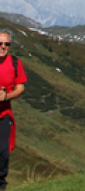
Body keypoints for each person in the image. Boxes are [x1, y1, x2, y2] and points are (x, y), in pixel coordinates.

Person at [0, 29, 26, 191]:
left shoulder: (15, 63)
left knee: (3, 151)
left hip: (4, 114)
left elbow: (20, 87)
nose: (3, 47)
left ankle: (1, 184)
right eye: (0, 43)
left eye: (6, 44)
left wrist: (6, 96)